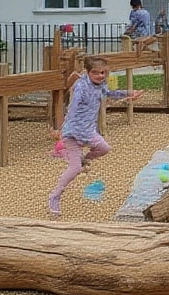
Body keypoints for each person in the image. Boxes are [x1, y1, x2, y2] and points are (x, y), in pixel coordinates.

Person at [48, 56, 145, 217]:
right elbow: (72, 107)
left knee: (104, 148)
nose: (100, 76)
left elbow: (109, 93)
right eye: (96, 73)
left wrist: (129, 93)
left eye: (103, 72)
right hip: (73, 133)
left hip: (89, 131)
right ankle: (55, 196)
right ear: (87, 72)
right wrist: (61, 127)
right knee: (75, 169)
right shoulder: (81, 87)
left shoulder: (101, 84)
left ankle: (84, 158)